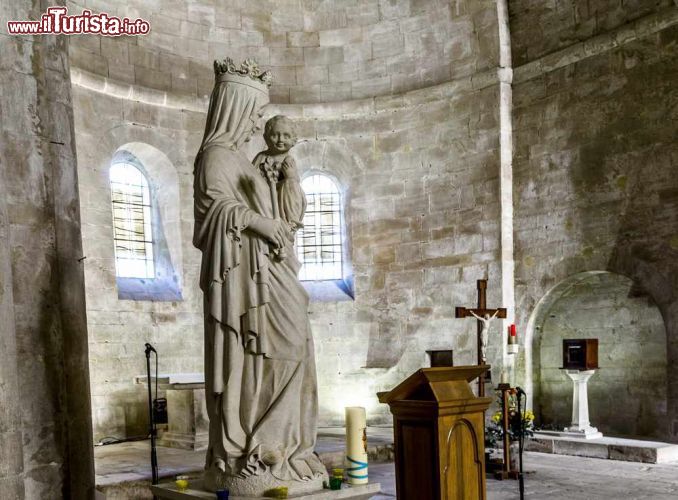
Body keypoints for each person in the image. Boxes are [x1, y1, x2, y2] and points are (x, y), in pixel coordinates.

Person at [192, 58, 326, 493]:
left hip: (275, 268)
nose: (257, 122)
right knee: (276, 351)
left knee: (296, 346)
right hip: (246, 278)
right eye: (253, 112)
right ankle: (255, 445)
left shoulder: (250, 160)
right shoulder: (215, 156)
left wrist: (286, 183)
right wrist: (259, 223)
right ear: (233, 108)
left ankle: (285, 447)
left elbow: (287, 216)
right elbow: (214, 213)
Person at [251, 115, 306, 235]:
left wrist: (290, 177)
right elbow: (250, 180)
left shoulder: (289, 160)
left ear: (293, 140)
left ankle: (290, 224)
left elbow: (294, 186)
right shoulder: (261, 157)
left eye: (286, 136)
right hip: (263, 201)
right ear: (266, 138)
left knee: (291, 183)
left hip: (281, 202)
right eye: (275, 135)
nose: (280, 139)